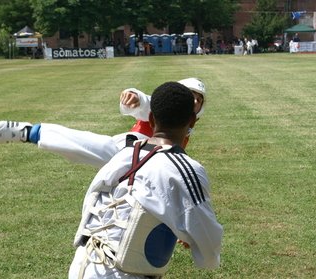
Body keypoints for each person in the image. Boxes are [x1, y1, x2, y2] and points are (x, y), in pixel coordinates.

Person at [68, 81, 223, 278]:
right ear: (192, 121)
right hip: (121, 273)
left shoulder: (124, 154)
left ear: (150, 118)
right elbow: (208, 244)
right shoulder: (186, 169)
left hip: (82, 265)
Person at [0, 78, 207, 168]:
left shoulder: (187, 128)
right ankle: (27, 132)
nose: (195, 100)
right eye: (191, 95)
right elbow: (146, 102)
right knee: (78, 144)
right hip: (125, 151)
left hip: (140, 170)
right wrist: (134, 96)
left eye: (199, 98)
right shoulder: (166, 110)